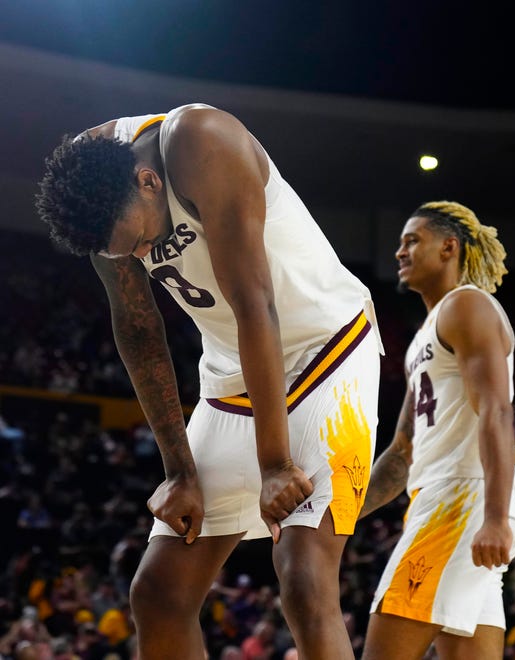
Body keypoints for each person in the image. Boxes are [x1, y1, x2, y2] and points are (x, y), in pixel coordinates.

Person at [36, 103, 383, 659]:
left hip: (328, 349)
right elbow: (139, 330)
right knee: (158, 592)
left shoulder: (204, 142)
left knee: (302, 571)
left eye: (143, 241)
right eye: (129, 253)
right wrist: (179, 472)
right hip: (230, 373)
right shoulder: (96, 188)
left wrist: (274, 464)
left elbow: (255, 303)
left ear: (148, 181)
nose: (145, 256)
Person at [359, 201, 515, 660]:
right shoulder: (424, 336)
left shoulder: (467, 305)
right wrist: (340, 514)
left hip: (462, 501)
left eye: (412, 240)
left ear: (449, 247)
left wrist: (493, 516)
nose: (400, 251)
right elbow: (401, 453)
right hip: (442, 498)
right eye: (399, 243)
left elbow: (496, 410)